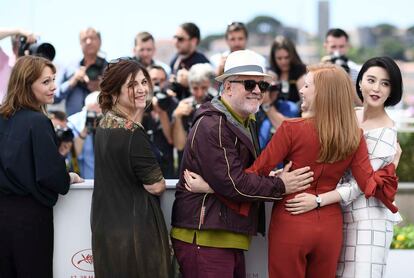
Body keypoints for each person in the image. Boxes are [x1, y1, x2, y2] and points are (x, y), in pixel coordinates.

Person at [185, 64, 401, 278]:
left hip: (292, 219)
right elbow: (368, 183)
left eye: (307, 86)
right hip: (331, 226)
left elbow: (253, 174)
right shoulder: (354, 134)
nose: (301, 91)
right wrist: (392, 162)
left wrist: (212, 187)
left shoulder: (291, 129)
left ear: (321, 94)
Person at [170, 49, 314, 278]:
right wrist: (281, 186)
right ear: (227, 86)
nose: (257, 91)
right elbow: (234, 184)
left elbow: (237, 178)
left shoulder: (242, 120)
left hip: (221, 234)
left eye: (262, 86)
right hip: (208, 237)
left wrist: (266, 179)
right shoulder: (214, 125)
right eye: (249, 84)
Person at [285, 57, 403, 278]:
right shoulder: (350, 115)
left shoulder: (387, 133)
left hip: (369, 219)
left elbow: (361, 184)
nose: (377, 88)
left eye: (385, 83)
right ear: (359, 83)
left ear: (392, 91)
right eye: (371, 80)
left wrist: (318, 200)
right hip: (339, 214)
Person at [0, 55, 82, 277]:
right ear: (27, 85)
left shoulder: (2, 117)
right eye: (46, 82)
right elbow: (52, 176)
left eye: (53, 80)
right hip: (29, 220)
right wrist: (69, 178)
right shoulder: (38, 122)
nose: (54, 87)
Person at [91, 58, 172, 277]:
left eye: (143, 82)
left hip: (106, 228)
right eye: (132, 85)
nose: (141, 89)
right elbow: (156, 186)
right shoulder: (131, 132)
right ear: (114, 91)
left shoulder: (104, 124)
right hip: (135, 235)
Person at [54, 27, 107, 116]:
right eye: (84, 39)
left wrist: (101, 89)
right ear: (80, 43)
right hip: (74, 125)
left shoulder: (110, 69)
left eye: (92, 38)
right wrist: (72, 81)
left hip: (102, 124)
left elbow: (120, 101)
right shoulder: (69, 67)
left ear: (100, 41)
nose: (88, 42)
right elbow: (53, 97)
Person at [67, 91, 102, 179]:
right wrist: (84, 132)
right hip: (82, 182)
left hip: (105, 183)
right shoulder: (73, 123)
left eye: (99, 113)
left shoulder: (110, 122)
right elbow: (71, 157)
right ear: (85, 108)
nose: (95, 117)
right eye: (92, 113)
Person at [0, 28, 36, 103]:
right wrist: (18, 30)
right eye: (25, 45)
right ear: (14, 46)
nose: (27, 49)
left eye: (30, 45)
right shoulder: (4, 62)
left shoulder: (34, 69)